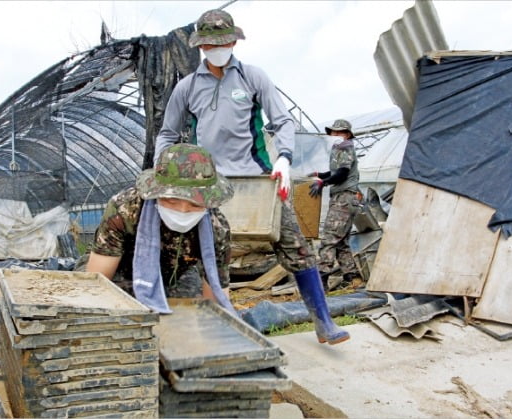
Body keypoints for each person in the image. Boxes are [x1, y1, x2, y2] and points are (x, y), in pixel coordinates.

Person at [154, 9, 349, 344]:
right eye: (210, 44)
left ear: (233, 41)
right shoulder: (187, 88)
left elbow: (282, 120)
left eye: (224, 41)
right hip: (209, 186)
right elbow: (168, 134)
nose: (218, 47)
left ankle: (323, 321)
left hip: (257, 181)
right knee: (206, 254)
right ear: (201, 46)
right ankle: (209, 328)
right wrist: (162, 169)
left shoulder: (252, 78)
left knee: (296, 246)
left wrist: (284, 159)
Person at [85, 143, 237, 315]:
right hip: (122, 270)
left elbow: (216, 297)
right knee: (117, 310)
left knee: (190, 313)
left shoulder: (217, 228)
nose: (183, 210)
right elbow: (97, 280)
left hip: (174, 277)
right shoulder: (126, 209)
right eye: (171, 201)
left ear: (209, 202)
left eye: (195, 204)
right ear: (156, 193)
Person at [308, 119, 363, 289]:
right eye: (334, 132)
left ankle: (321, 280)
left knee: (329, 239)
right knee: (341, 241)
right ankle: (352, 277)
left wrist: (322, 183)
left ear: (347, 134)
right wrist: (320, 174)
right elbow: (335, 172)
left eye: (340, 132)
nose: (336, 135)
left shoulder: (345, 147)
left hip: (344, 198)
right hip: (346, 197)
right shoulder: (339, 149)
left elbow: (342, 173)